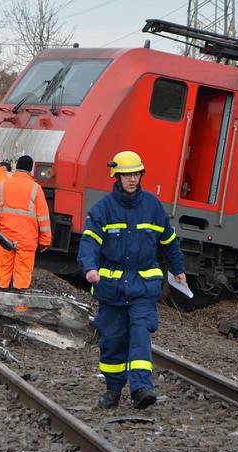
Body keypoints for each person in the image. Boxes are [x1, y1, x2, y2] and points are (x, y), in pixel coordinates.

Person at [77, 150, 186, 410]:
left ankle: (141, 389)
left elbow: (169, 241)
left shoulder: (152, 206)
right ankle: (113, 392)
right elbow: (89, 242)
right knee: (113, 340)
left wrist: (178, 268)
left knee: (139, 335)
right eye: (128, 175)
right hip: (111, 290)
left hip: (143, 289)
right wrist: (90, 268)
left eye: (136, 174)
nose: (133, 179)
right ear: (117, 176)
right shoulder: (103, 209)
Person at [0, 155, 51, 289]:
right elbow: (43, 218)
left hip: (5, 238)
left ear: (17, 167)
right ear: (31, 169)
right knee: (22, 276)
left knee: (1, 274)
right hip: (27, 240)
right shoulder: (36, 188)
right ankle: (19, 308)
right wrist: (44, 240)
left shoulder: (2, 185)